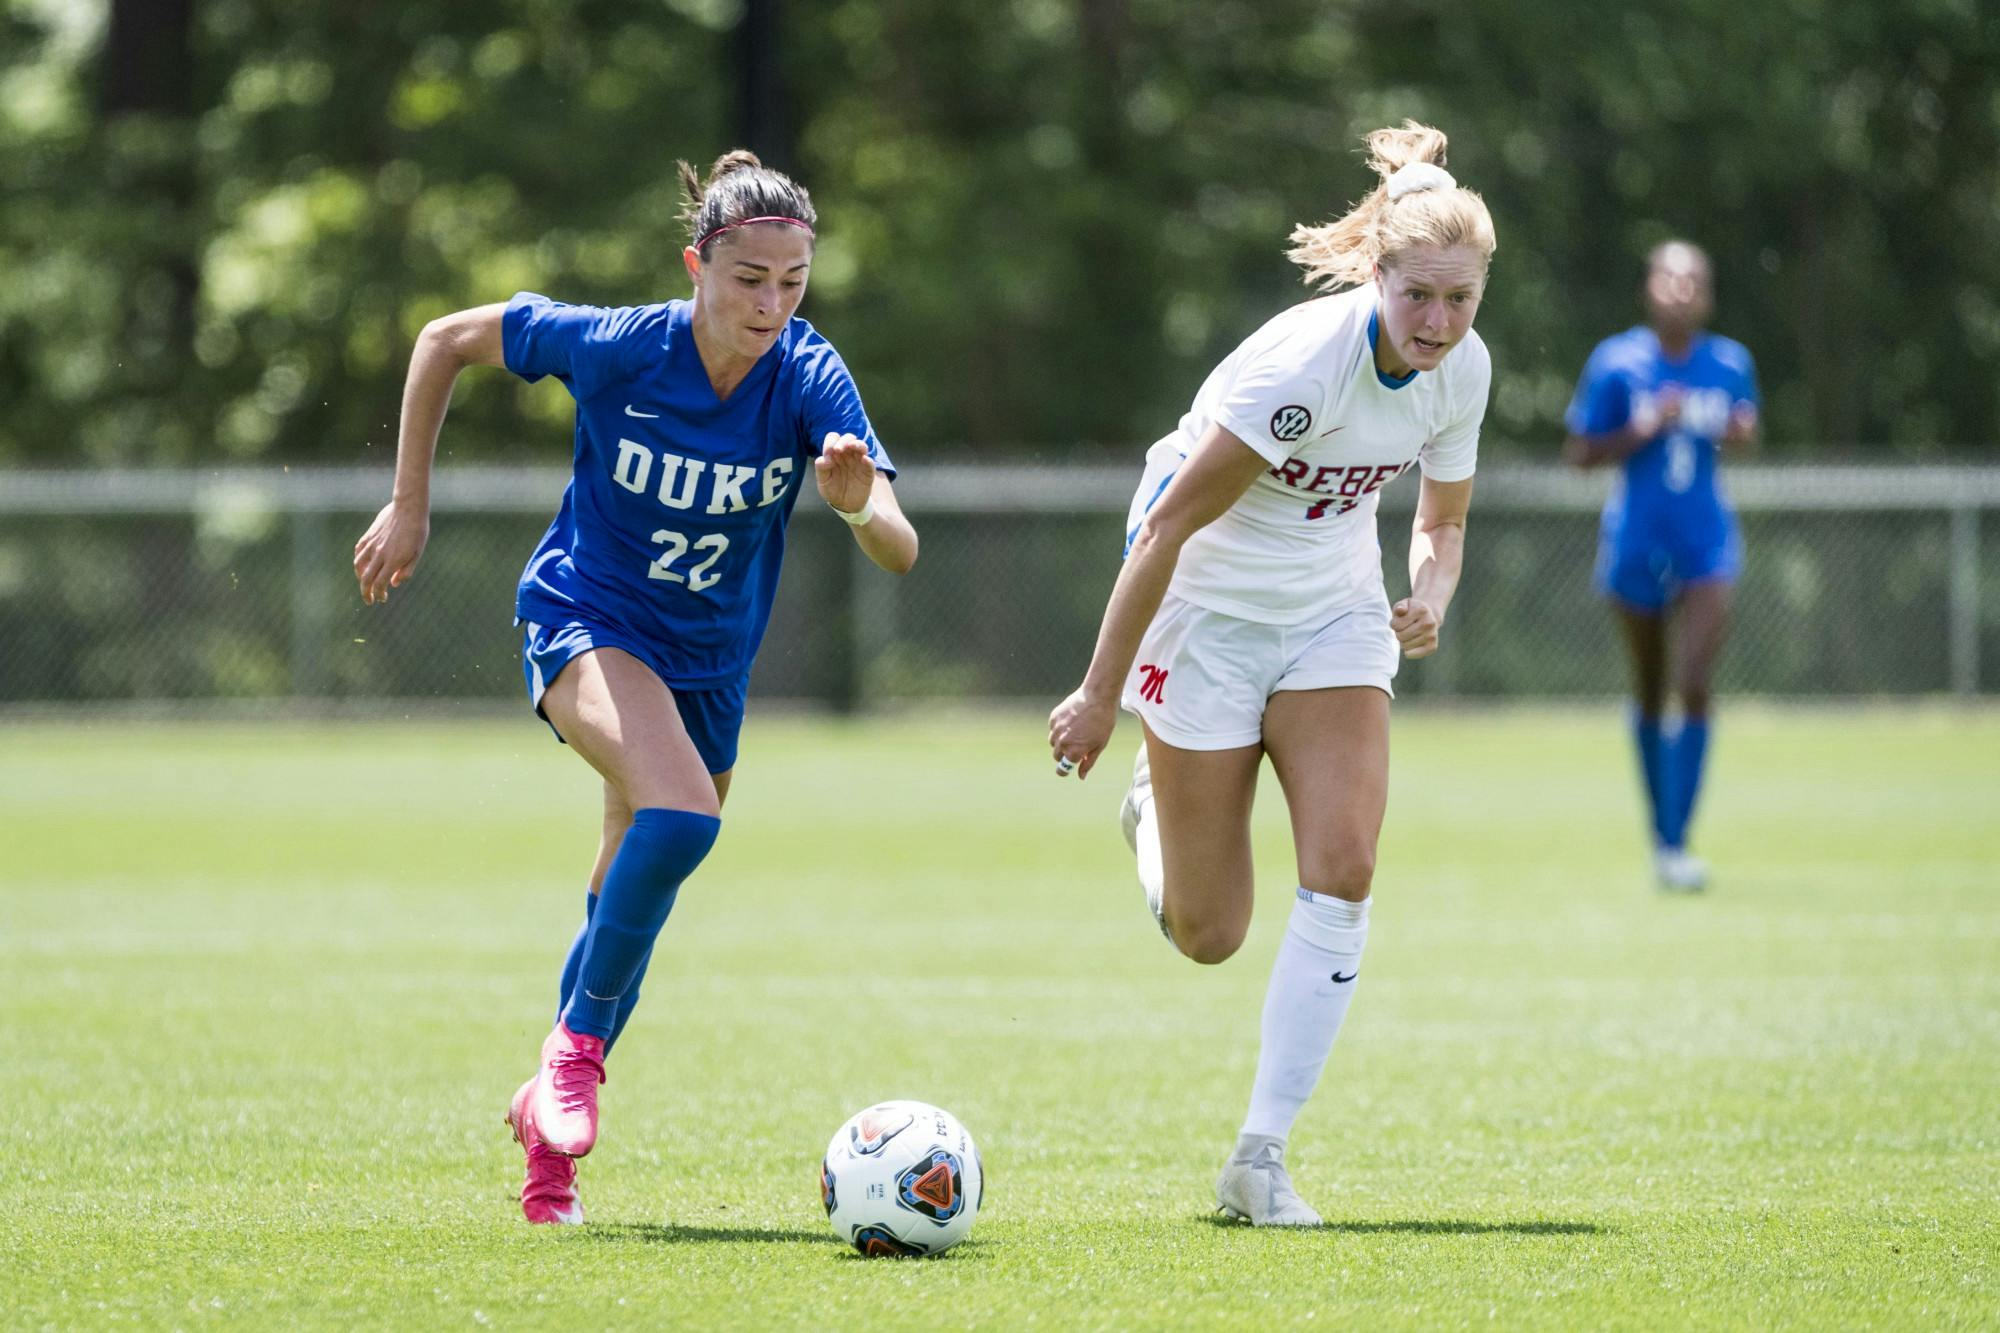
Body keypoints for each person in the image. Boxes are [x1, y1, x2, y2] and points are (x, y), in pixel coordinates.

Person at [351, 150, 918, 1224]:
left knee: (634, 888)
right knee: (680, 813)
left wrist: (852, 502)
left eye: (791, 282)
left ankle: (547, 1152)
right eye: (748, 277)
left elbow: (897, 545)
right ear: (696, 263)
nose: (770, 303)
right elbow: (443, 341)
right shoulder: (621, 346)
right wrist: (409, 503)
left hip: (708, 666)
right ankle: (571, 1059)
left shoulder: (807, 373)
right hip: (586, 619)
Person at [1047, 122, 1494, 1226]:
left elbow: (1439, 521)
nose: (1437, 324)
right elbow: (1163, 529)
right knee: (1210, 933)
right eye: (1418, 297)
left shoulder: (1460, 374)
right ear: (1376, 276)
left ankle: (1259, 1156)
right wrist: (1100, 692)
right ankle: (1150, 802)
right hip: (1202, 602)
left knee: (1342, 866)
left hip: (1332, 609)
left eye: (1460, 300)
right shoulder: (1305, 365)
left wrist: (1426, 596)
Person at [1562, 241, 1758, 893]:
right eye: (1669, 277)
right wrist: (1643, 427)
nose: (1681, 288)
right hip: (1636, 539)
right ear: (1649, 288)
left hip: (1706, 542)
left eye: (1694, 279)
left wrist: (1736, 429)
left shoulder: (1730, 362)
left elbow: (1746, 432)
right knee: (1649, 688)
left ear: (1708, 293)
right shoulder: (1618, 362)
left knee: (1695, 679)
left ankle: (1677, 840)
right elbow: (1581, 453)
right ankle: (1661, 832)